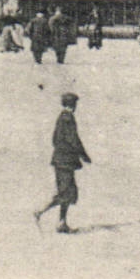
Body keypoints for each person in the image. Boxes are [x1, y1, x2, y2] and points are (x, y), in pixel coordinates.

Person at [34, 92, 91, 233]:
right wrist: (83, 155)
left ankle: (62, 223)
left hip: (62, 160)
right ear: (72, 104)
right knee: (66, 192)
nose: (76, 106)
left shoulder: (61, 118)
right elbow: (73, 139)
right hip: (65, 162)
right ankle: (39, 212)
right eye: (75, 103)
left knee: (68, 191)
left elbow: (55, 140)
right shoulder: (68, 118)